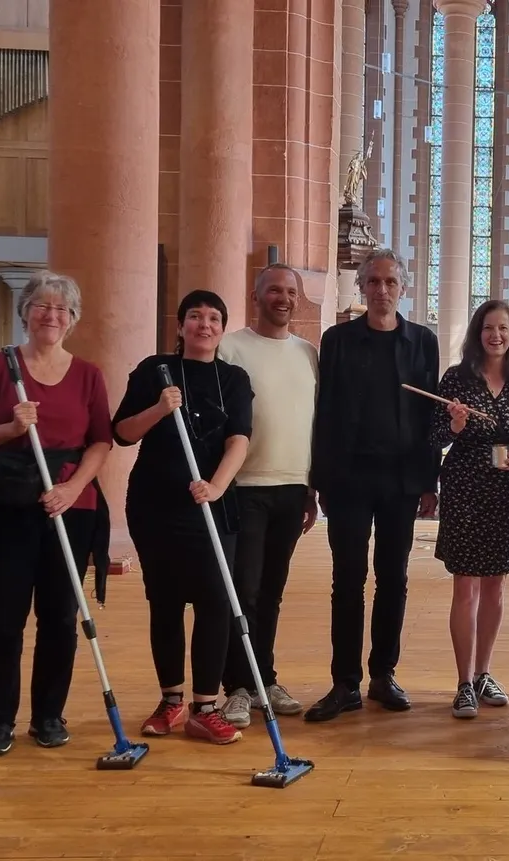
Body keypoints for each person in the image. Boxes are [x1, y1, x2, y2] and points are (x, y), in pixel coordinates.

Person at [0, 271, 113, 757]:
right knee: (4, 616)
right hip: (8, 506)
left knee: (60, 616)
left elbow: (101, 441)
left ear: (73, 319)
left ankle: (48, 715)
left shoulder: (88, 375)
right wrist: (10, 428)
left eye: (62, 308)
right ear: (25, 312)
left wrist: (72, 488)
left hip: (70, 506)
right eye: (42, 305)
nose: (51, 315)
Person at [113, 290, 254, 745]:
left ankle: (205, 707)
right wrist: (159, 408)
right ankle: (170, 701)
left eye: (213, 318)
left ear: (222, 328)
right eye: (195, 316)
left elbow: (239, 439)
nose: (204, 325)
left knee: (214, 600)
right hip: (155, 505)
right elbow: (122, 433)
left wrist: (215, 486)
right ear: (180, 326)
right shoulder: (155, 371)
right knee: (166, 601)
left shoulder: (232, 378)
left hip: (212, 505)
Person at [306, 247, 440, 721]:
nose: (382, 290)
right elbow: (325, 411)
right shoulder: (337, 340)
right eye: (374, 281)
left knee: (393, 578)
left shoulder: (423, 341)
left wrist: (429, 480)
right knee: (347, 579)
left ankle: (383, 674)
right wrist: (319, 480)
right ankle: (345, 682)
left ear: (403, 288)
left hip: (401, 480)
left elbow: (430, 417)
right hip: (348, 478)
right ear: (362, 287)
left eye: (390, 282)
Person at [215, 265, 320, 728]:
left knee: (272, 591)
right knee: (245, 590)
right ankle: (238, 686)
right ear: (255, 296)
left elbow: (312, 423)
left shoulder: (308, 353)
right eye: (274, 290)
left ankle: (265, 679)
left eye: (291, 292)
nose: (284, 298)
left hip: (292, 486)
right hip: (244, 486)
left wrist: (311, 487)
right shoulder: (231, 347)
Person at [433, 299, 509, 719]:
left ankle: (483, 673)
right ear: (477, 334)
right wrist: (455, 424)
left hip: (506, 492)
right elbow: (435, 437)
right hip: (464, 487)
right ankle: (463, 683)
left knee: (496, 585)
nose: (496, 335)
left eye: (503, 329)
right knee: (466, 586)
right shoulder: (456, 379)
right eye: (488, 328)